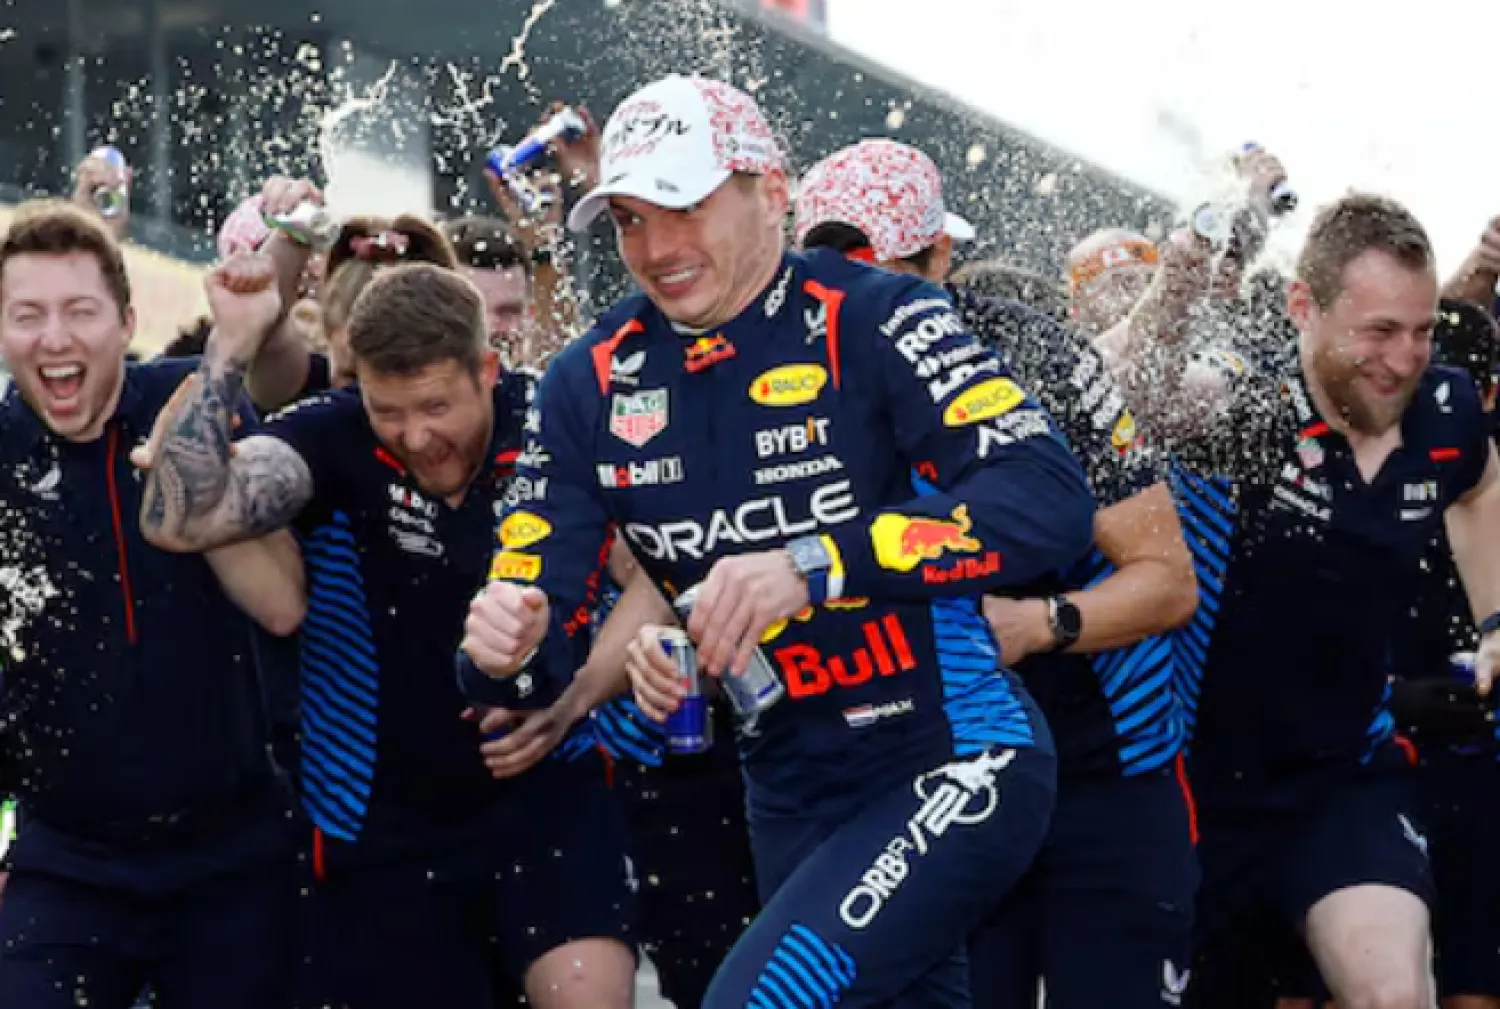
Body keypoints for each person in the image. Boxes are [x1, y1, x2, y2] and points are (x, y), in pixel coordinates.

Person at [457, 72, 1097, 1008]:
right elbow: (527, 635)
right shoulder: (586, 381)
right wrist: (502, 653)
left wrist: (818, 562)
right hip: (791, 787)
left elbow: (1046, 499)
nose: (657, 247)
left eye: (684, 206)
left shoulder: (880, 316)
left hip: (956, 755)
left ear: (771, 193)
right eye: (630, 218)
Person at [134, 255, 638, 1009]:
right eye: (388, 410)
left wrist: (578, 696)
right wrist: (230, 346)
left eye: (436, 406)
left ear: (487, 369)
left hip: (548, 792)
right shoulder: (334, 434)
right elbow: (180, 518)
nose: (416, 435)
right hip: (384, 821)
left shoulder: (552, 420)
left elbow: (661, 578)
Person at [795, 137, 1201, 1009]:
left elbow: (1168, 578)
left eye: (883, 269)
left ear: (943, 255)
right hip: (931, 784)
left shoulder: (1039, 357)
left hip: (1103, 780)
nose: (857, 297)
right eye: (829, 272)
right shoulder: (791, 367)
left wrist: (1045, 623)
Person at [1127, 194, 1500, 1009]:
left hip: (1345, 774)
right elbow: (1143, 391)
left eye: (1422, 329)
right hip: (1198, 786)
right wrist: (1187, 266)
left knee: (1393, 991)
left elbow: (1480, 486)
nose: (1403, 360)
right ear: (1304, 306)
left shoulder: (1445, 412)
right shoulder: (1246, 406)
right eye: (1378, 332)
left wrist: (1496, 618)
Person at [0, 199, 304, 1008]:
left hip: (231, 851)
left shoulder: (185, 400)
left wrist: (230, 353)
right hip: (65, 861)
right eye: (27, 315)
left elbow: (281, 606)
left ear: (126, 320)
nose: (54, 338)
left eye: (79, 312)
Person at [1386, 298, 1500, 1009]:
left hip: (1475, 770)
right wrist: (1392, 696)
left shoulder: (1482, 484)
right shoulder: (1338, 480)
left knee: (1472, 975)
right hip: (1367, 761)